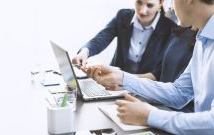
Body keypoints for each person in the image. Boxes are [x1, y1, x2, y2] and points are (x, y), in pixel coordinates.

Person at [82, 0, 214, 134]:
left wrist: (149, 116)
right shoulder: (202, 40)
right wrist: (121, 78)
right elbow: (179, 93)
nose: (171, 7)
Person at [72, 0, 176, 74]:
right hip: (113, 83)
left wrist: (125, 80)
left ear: (161, 3)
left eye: (149, 5)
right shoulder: (123, 16)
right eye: (139, 2)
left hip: (144, 87)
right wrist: (85, 52)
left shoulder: (170, 29)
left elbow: (161, 70)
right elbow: (102, 38)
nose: (142, 11)